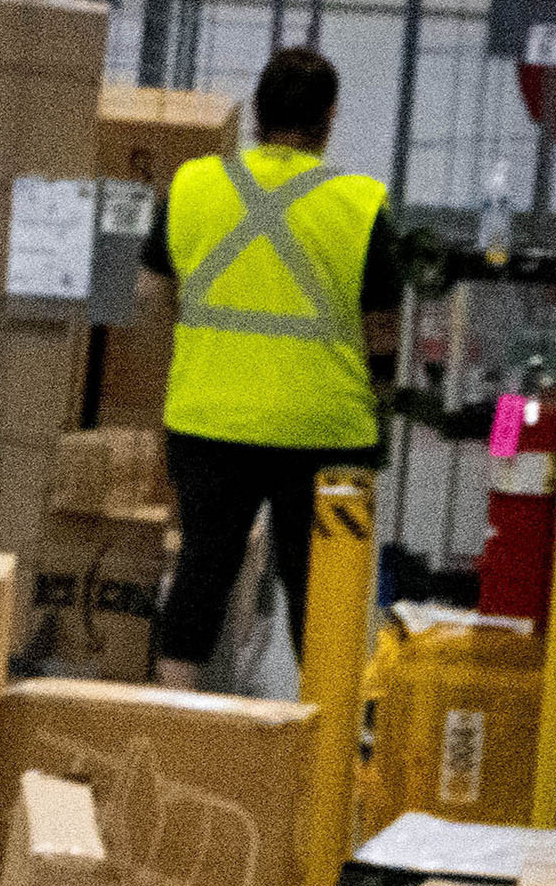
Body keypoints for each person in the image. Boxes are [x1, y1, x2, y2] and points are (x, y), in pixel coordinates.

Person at [140, 44, 407, 682]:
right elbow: (382, 328)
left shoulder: (193, 185)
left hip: (209, 421)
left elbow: (150, 297)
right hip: (325, 432)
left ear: (256, 110)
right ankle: (318, 752)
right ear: (330, 116)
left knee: (202, 573)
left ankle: (166, 730)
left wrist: (193, 361)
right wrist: (380, 397)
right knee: (319, 595)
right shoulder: (361, 205)